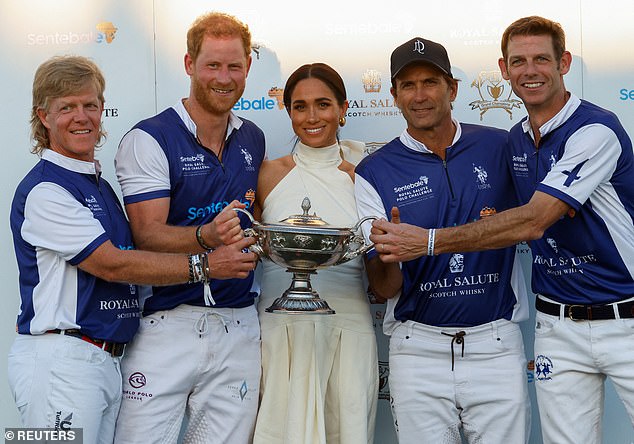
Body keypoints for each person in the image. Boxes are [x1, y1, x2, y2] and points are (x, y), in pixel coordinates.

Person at [370, 16, 634, 444]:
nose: (530, 71)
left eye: (541, 59)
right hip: (557, 326)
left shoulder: (594, 130)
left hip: (626, 316)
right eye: (519, 61)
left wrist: (430, 241)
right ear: (504, 68)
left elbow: (533, 220)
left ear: (564, 62)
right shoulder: (513, 141)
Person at [7, 55, 255, 444]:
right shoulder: (45, 189)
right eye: (67, 108)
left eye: (90, 105)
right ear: (43, 116)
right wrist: (205, 265)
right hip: (61, 360)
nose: (82, 117)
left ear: (103, 109)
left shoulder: (98, 184)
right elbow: (111, 264)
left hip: (102, 360)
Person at [354, 37, 530, 443]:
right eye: (408, 85)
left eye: (430, 82)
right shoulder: (374, 171)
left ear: (451, 89)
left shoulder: (500, 146)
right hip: (418, 349)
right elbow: (383, 287)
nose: (420, 95)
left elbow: (537, 220)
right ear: (393, 95)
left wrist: (429, 241)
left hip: (496, 344)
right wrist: (389, 252)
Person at [112, 12, 265, 444]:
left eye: (234, 66)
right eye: (212, 65)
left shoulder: (252, 137)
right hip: (168, 323)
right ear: (188, 64)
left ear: (248, 69)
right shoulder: (150, 138)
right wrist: (205, 238)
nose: (224, 76)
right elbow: (147, 235)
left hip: (238, 324)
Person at [252, 63, 378, 444]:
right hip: (279, 325)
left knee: (346, 428)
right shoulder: (267, 174)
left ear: (343, 108)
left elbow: (381, 264)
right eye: (299, 106)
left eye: (323, 104)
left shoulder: (364, 177)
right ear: (288, 111)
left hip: (348, 324)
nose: (311, 117)